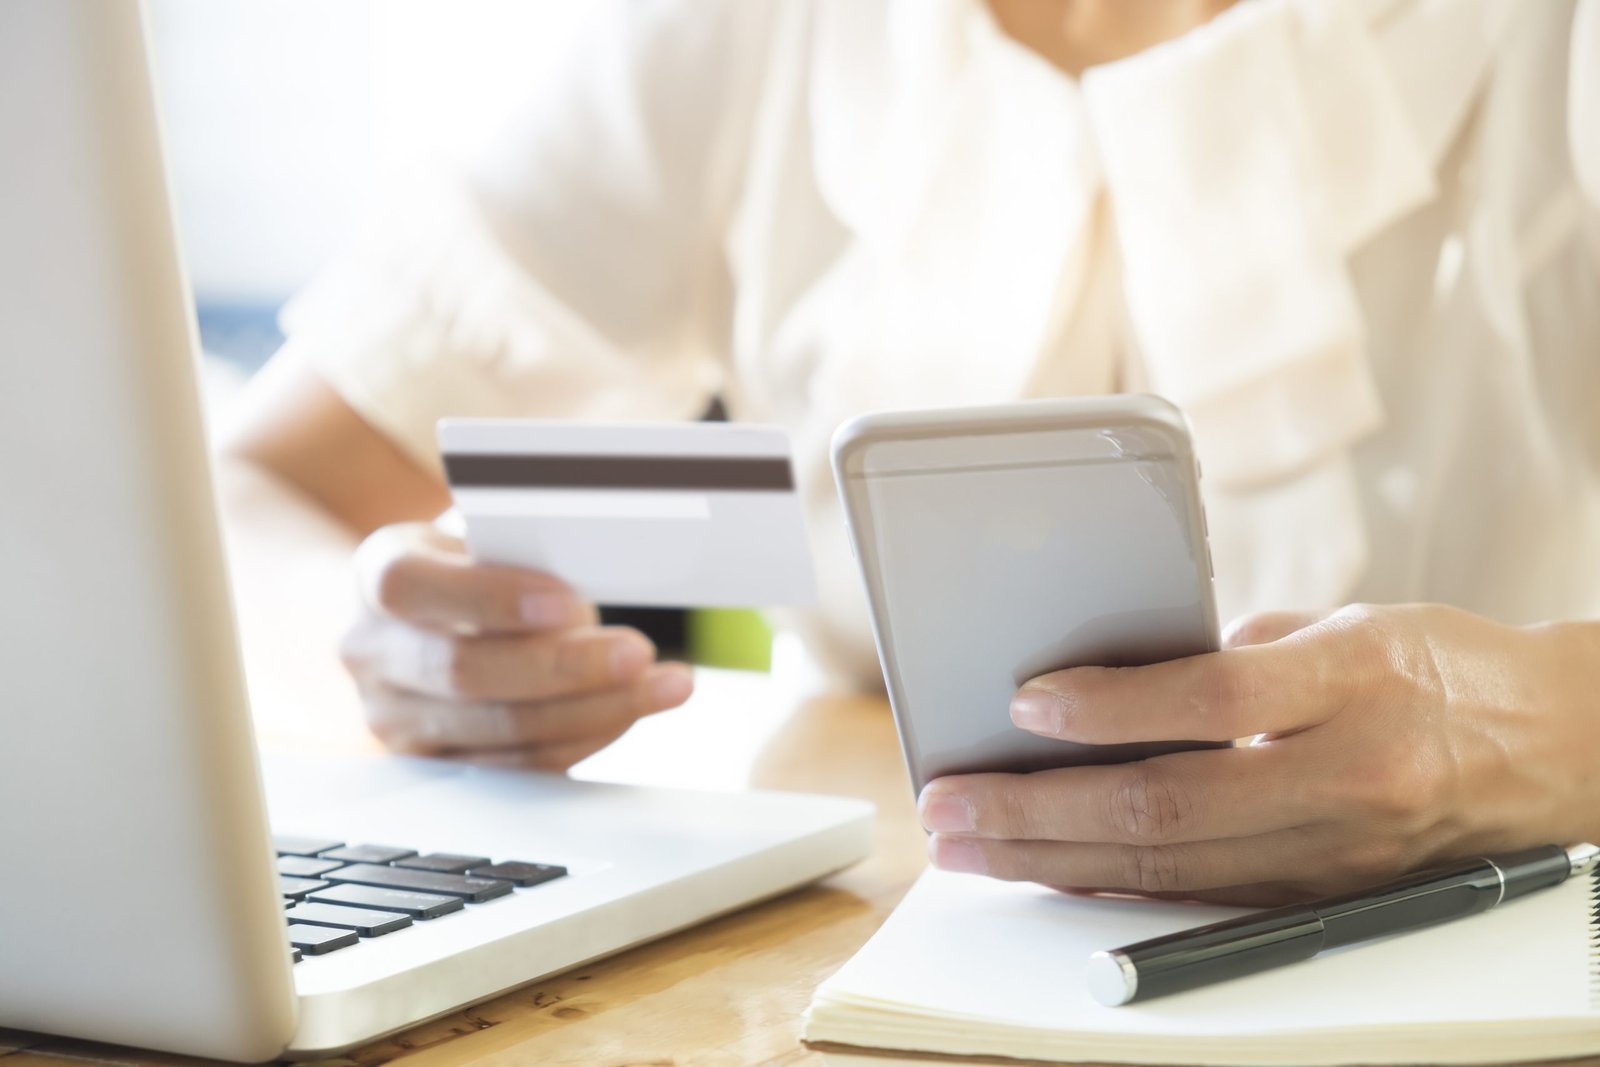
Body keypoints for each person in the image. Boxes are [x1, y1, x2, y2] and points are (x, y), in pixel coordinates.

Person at [223, 0, 1600, 905]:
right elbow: (255, 494)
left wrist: (1547, 734)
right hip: (858, 945)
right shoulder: (753, 34)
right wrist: (386, 653)